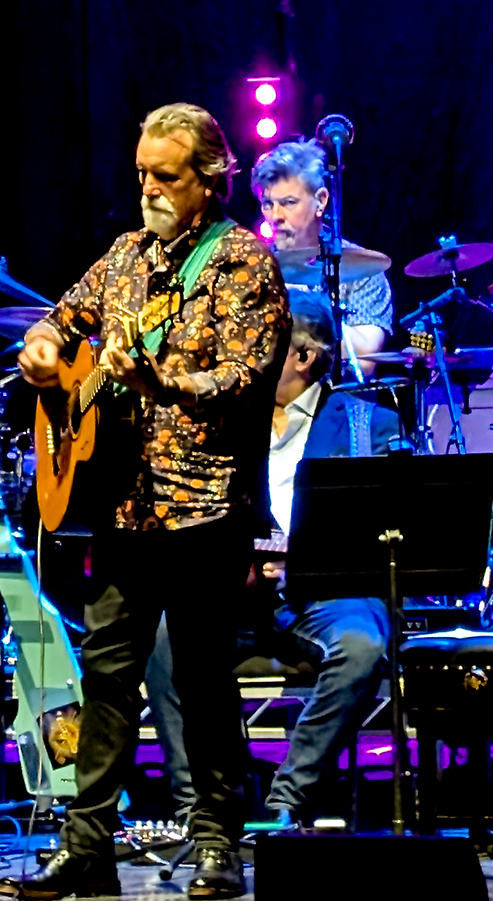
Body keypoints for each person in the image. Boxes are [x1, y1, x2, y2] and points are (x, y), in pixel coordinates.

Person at [4, 103, 289, 901]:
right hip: (124, 507)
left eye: (165, 176)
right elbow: (60, 319)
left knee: (202, 680)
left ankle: (217, 839)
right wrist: (43, 351)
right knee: (105, 678)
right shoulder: (126, 255)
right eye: (141, 175)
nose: (149, 189)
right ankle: (86, 844)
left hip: (205, 507)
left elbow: (240, 381)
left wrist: (157, 379)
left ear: (210, 179)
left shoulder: (243, 264)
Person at [144, 296, 398, 829]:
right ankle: (201, 808)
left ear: (303, 357)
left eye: (261, 344)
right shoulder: (222, 421)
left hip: (325, 593)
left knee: (362, 645)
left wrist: (305, 559)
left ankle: (288, 800)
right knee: (163, 637)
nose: (244, 356)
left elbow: (388, 527)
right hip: (235, 589)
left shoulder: (368, 426)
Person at [253, 138, 393, 375]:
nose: (275, 216)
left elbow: (365, 360)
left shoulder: (360, 269)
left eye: (289, 203)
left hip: (337, 395)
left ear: (320, 200)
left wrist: (301, 308)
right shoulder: (252, 266)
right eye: (267, 204)